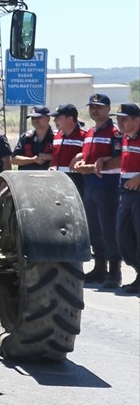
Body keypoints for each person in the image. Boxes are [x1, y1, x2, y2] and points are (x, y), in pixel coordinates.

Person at [72, 93, 123, 288]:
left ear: (108, 109)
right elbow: (89, 156)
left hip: (108, 186)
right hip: (91, 186)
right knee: (94, 229)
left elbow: (120, 159)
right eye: (92, 107)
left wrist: (93, 167)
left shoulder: (115, 132)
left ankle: (114, 272)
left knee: (108, 229)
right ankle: (100, 267)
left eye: (99, 107)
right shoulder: (90, 132)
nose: (95, 110)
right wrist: (81, 160)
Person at [107, 102, 140, 295]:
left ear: (137, 120)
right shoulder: (125, 137)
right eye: (118, 119)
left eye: (124, 119)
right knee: (123, 236)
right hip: (125, 192)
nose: (120, 122)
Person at [50, 103, 86, 197]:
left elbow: (92, 155)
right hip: (58, 181)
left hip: (77, 182)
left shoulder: (84, 135)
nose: (54, 120)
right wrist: (53, 168)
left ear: (70, 119)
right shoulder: (57, 136)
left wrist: (80, 156)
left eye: (58, 117)